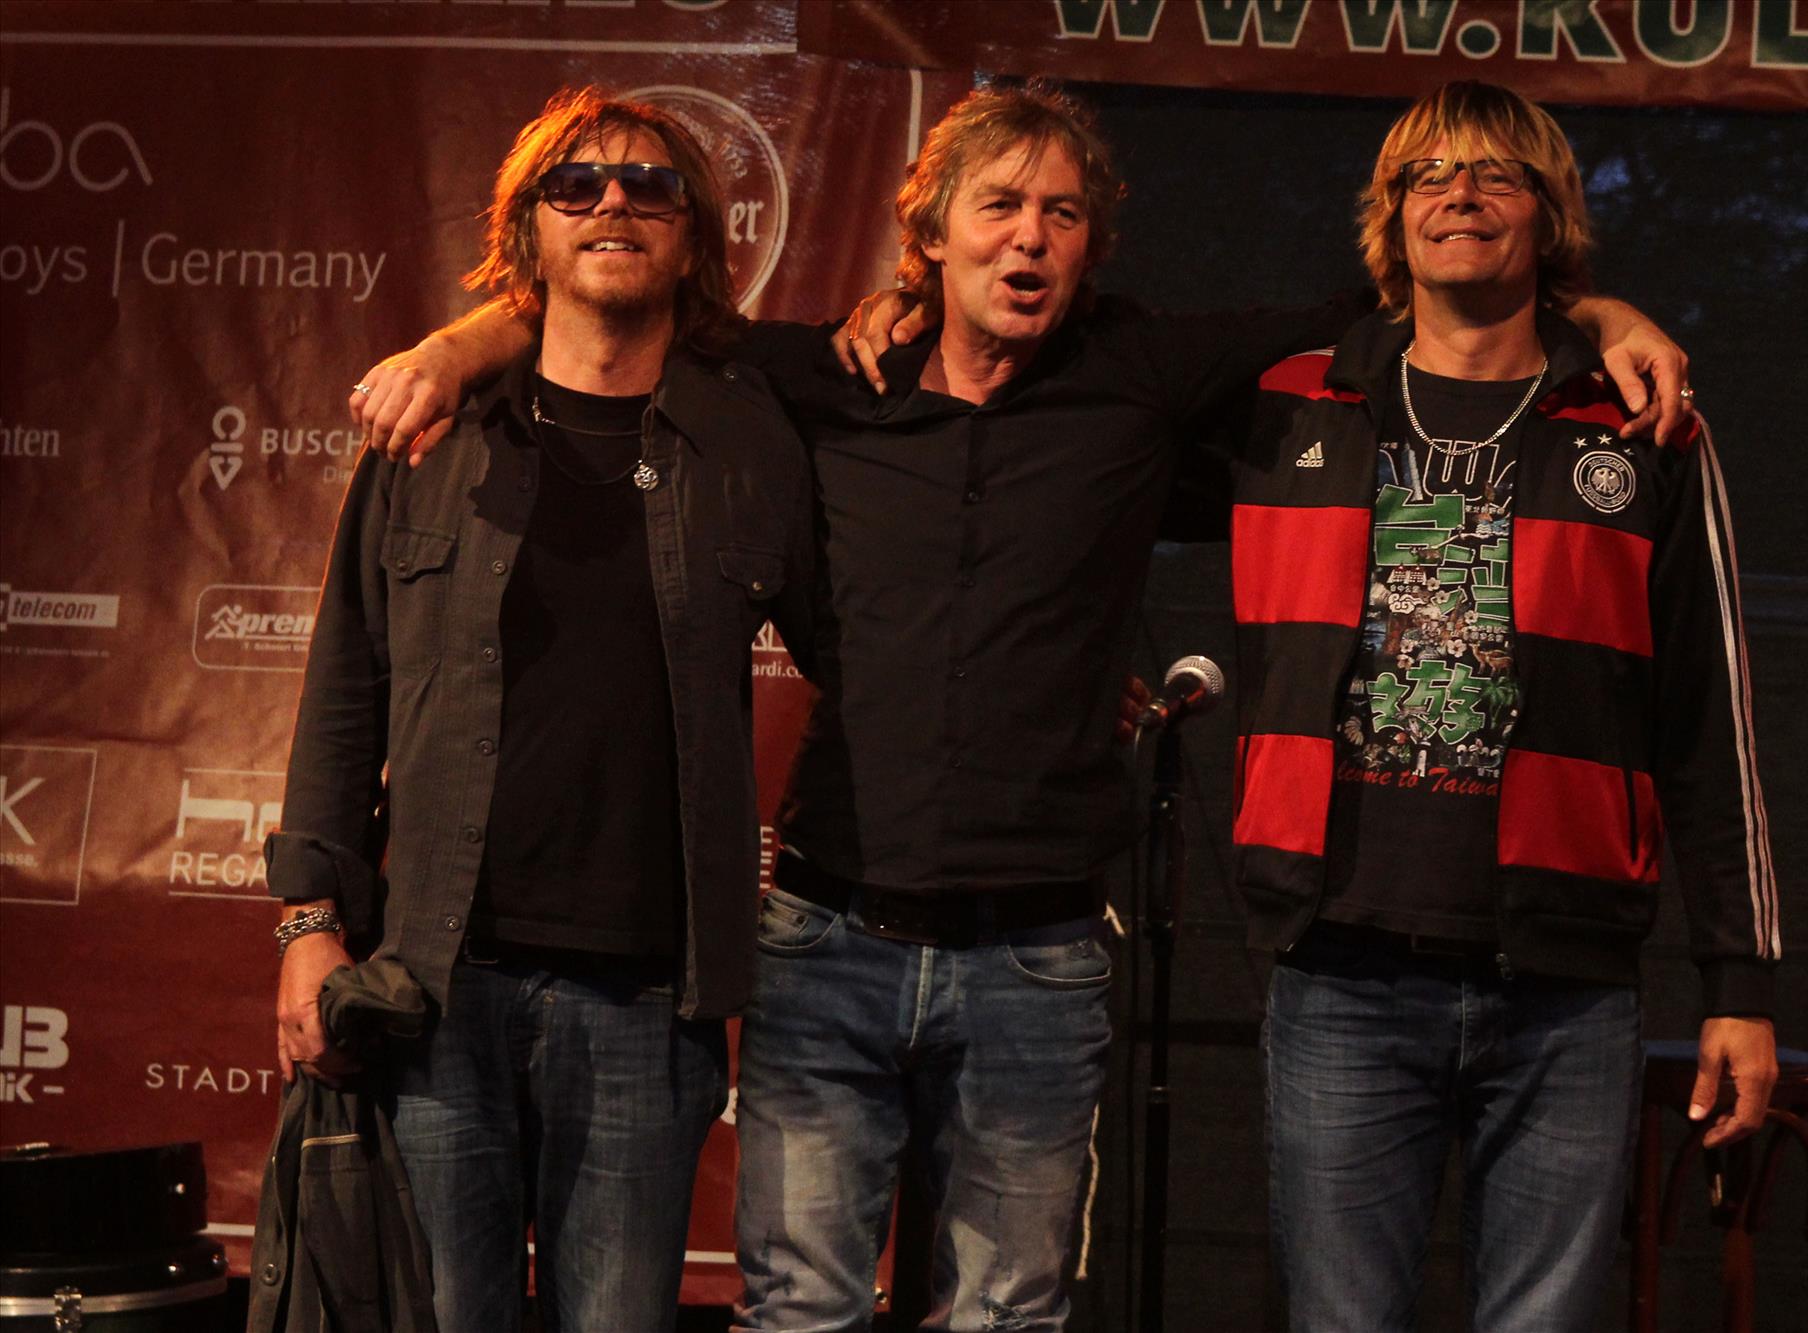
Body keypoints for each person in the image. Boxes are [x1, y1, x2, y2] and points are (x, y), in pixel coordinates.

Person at [349, 82, 1690, 1332]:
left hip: (1037, 963)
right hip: (827, 935)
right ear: (929, 235)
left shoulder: (1140, 372)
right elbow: (616, 307)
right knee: (802, 1308)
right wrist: (459, 346)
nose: (1030, 237)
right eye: (998, 206)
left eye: (1062, 213)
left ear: (1092, 245)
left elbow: (1427, 293)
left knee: (1005, 1315)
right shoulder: (827, 381)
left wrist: (1603, 317)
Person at [1230, 80, 1779, 1331]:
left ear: (1547, 212)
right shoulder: (1289, 402)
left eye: (1493, 174)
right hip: (1337, 965)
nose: (1458, 195)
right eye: (1426, 174)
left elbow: (1710, 722)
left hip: (1562, 984)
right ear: (1390, 212)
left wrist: (1737, 981)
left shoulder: (1642, 427)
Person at [266, 88, 814, 1333]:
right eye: (577, 184)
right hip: (436, 988)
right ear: (529, 231)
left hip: (647, 1000)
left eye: (649, 184)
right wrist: (306, 920)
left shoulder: (748, 442)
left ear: (692, 231)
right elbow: (345, 686)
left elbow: (862, 636)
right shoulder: (434, 436)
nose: (613, 200)